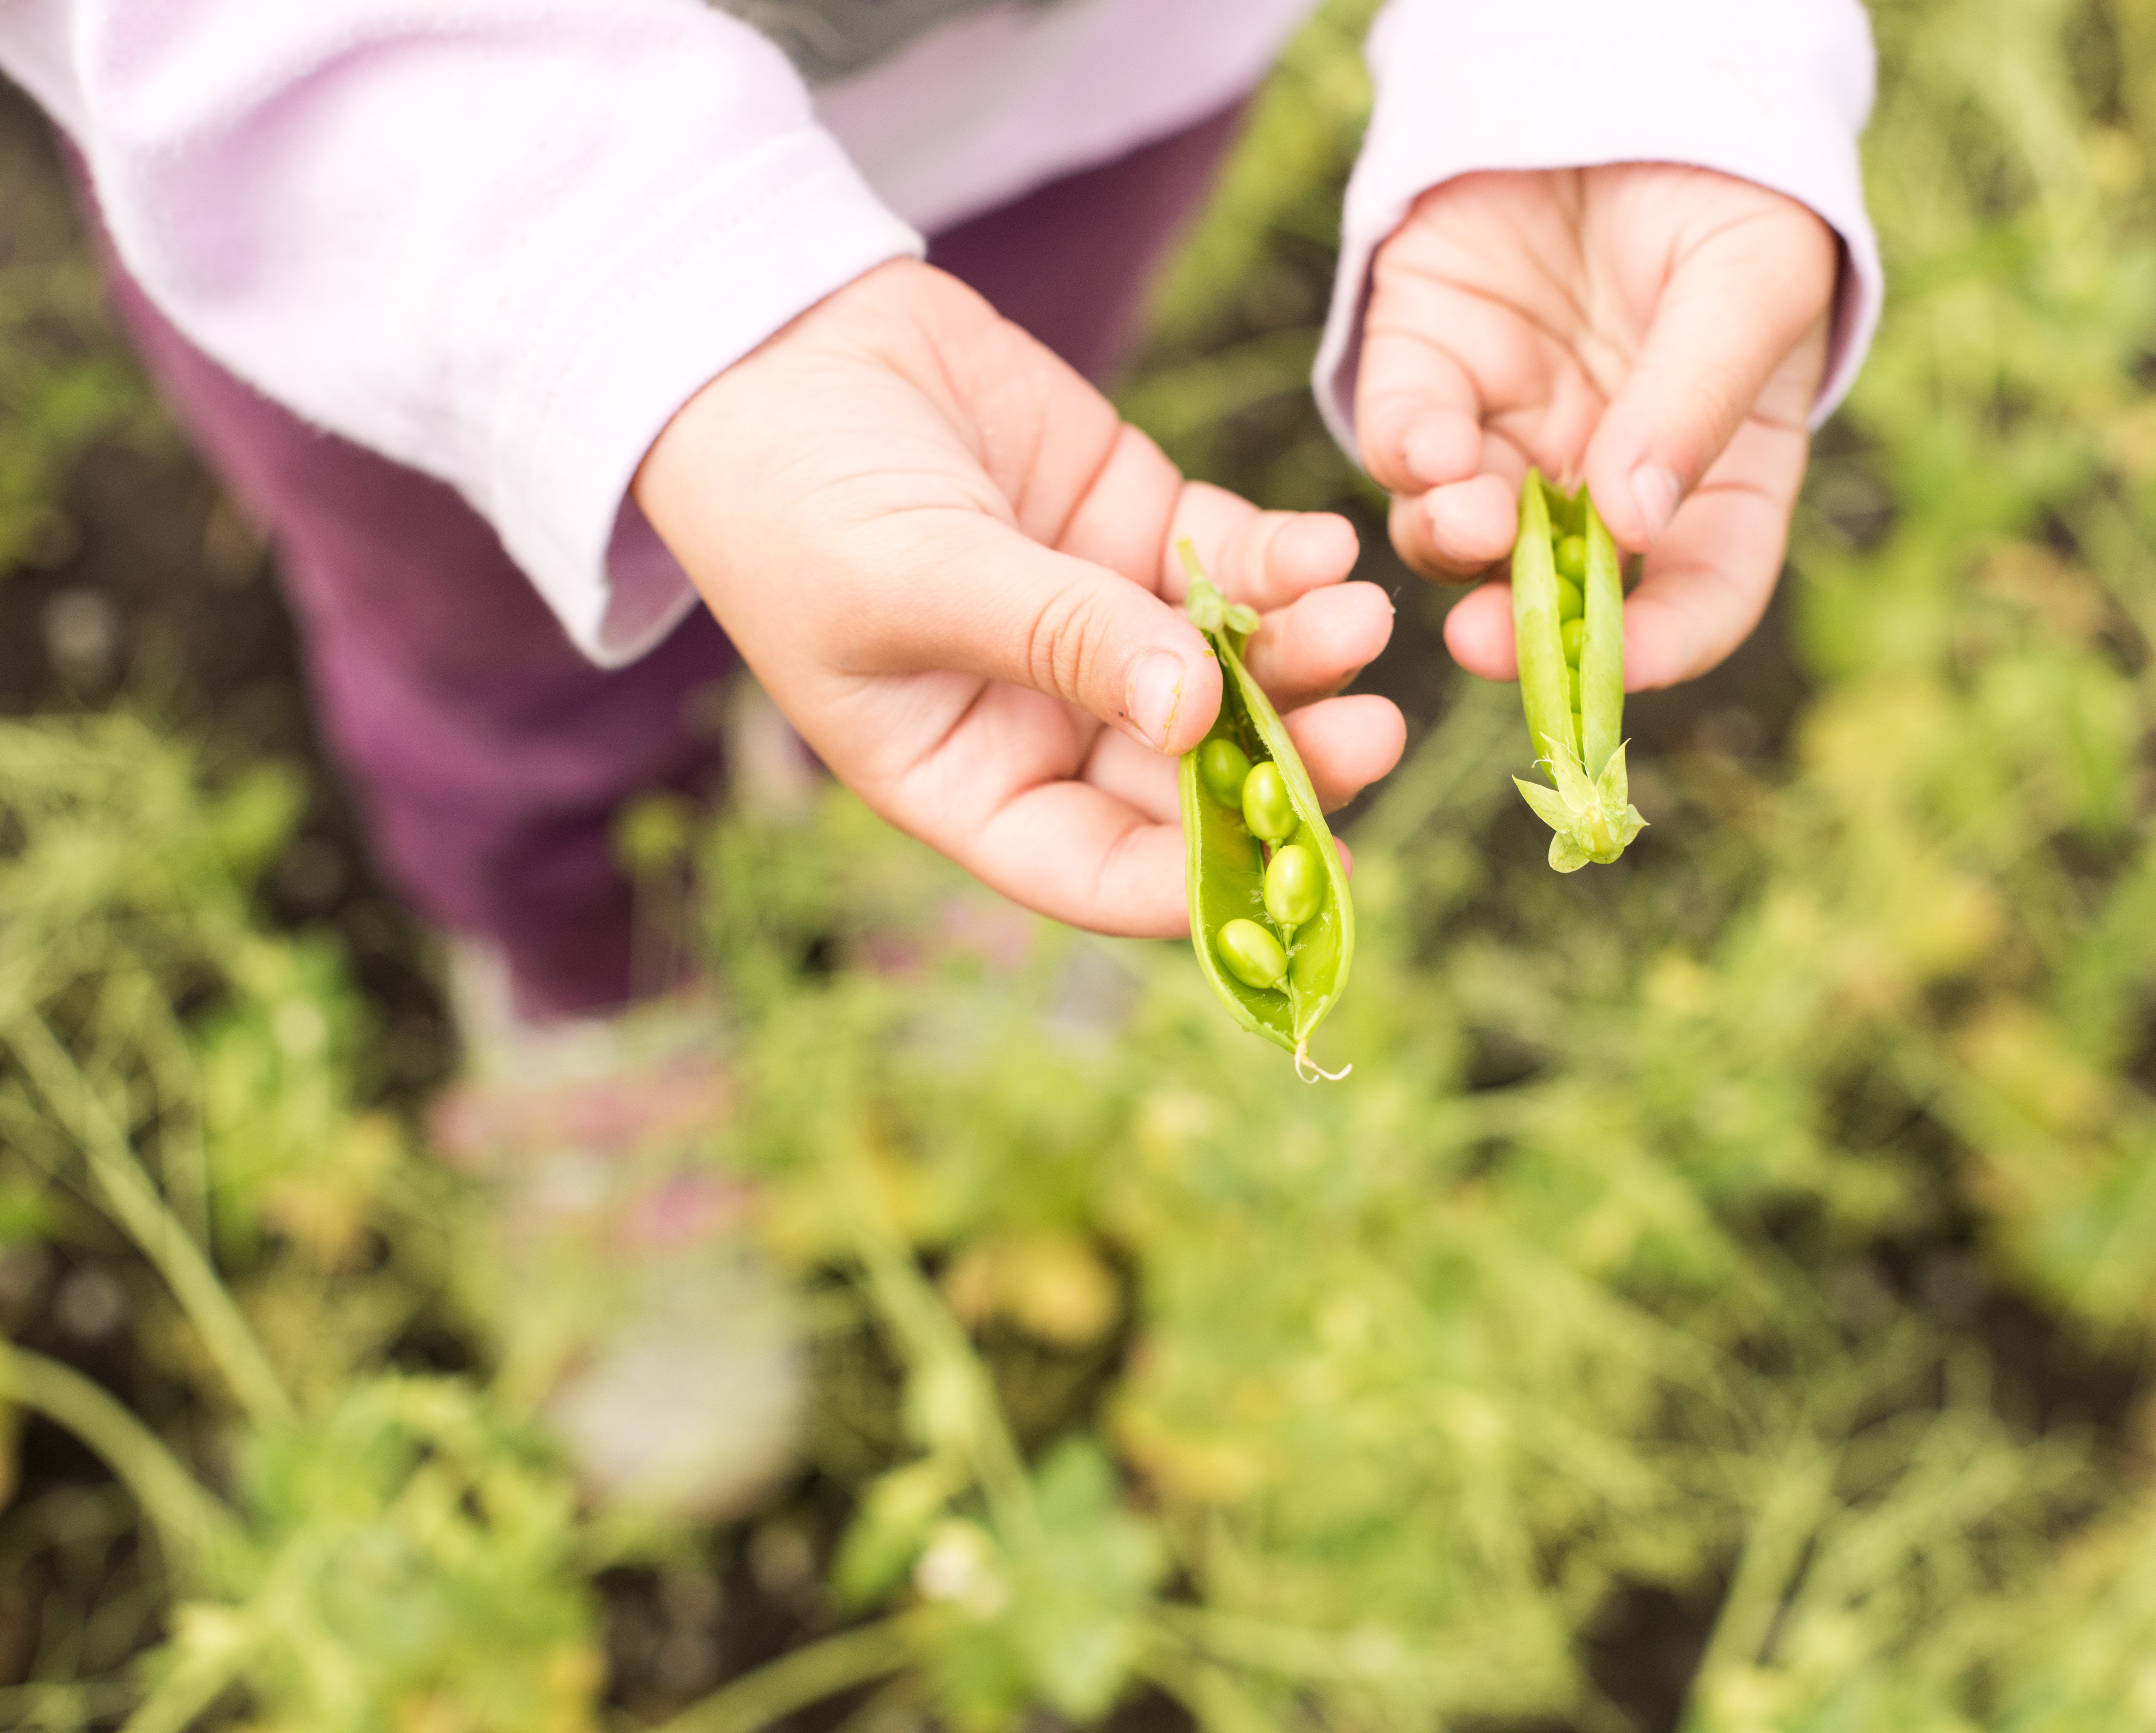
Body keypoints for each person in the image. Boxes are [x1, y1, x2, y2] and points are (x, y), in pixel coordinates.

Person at [0, 0, 1882, 1513]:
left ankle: (927, 850)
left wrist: (1617, 50)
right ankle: (592, 986)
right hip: (400, 171)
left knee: (1006, 523)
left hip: (1075, 73)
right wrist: (658, 302)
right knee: (508, 672)